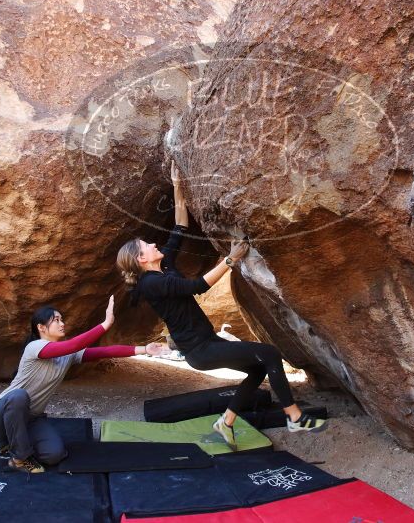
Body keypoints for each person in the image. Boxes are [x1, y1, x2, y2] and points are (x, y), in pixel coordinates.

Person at [116, 162, 327, 451]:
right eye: (147, 245)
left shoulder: (162, 265)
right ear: (142, 259)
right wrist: (231, 259)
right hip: (200, 351)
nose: (154, 243)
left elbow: (180, 227)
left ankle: (225, 423)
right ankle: (294, 416)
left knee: (257, 369)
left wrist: (178, 186)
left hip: (208, 342)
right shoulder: (151, 283)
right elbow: (197, 287)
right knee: (269, 354)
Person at [0, 296, 164, 473]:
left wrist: (144, 349)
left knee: (54, 455)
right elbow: (71, 345)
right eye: (56, 320)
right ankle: (19, 458)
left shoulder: (68, 355)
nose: (62, 324)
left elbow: (104, 351)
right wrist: (105, 324)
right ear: (41, 327)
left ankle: (12, 442)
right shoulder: (34, 348)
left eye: (62, 320)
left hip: (30, 419)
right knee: (18, 396)